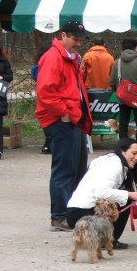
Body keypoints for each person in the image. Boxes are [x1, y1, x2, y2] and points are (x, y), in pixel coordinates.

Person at [36, 21, 93, 232]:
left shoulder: (69, 57)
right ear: (63, 35)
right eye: (74, 39)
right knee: (64, 171)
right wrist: (64, 113)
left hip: (72, 119)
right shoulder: (53, 58)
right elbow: (45, 92)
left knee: (76, 168)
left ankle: (71, 212)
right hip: (61, 120)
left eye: (80, 39)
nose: (78, 43)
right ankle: (59, 216)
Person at [67, 138, 137, 250]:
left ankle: (92, 238)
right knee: (125, 197)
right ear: (122, 151)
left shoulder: (104, 160)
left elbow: (130, 205)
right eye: (134, 153)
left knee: (124, 197)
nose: (136, 158)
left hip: (74, 216)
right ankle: (109, 240)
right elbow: (101, 192)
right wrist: (130, 195)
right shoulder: (115, 165)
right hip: (85, 215)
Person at [109, 38, 137, 157]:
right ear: (135, 47)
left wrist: (119, 93)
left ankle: (122, 148)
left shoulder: (117, 62)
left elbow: (111, 82)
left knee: (123, 124)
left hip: (123, 99)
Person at [31, 42, 52, 154]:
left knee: (46, 119)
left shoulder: (36, 66)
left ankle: (48, 143)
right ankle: (48, 143)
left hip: (41, 96)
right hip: (49, 95)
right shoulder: (44, 65)